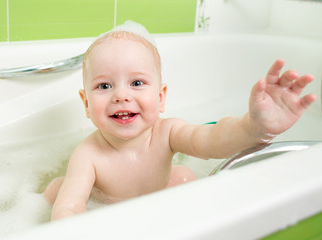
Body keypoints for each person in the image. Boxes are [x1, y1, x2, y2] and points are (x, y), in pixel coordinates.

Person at [43, 21, 317, 221]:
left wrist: (255, 127)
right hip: (104, 209)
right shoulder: (88, 154)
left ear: (161, 98)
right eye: (104, 86)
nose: (121, 95)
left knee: (185, 178)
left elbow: (213, 140)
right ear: (86, 104)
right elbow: (71, 208)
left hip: (158, 204)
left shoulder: (167, 132)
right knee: (57, 192)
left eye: (137, 82)